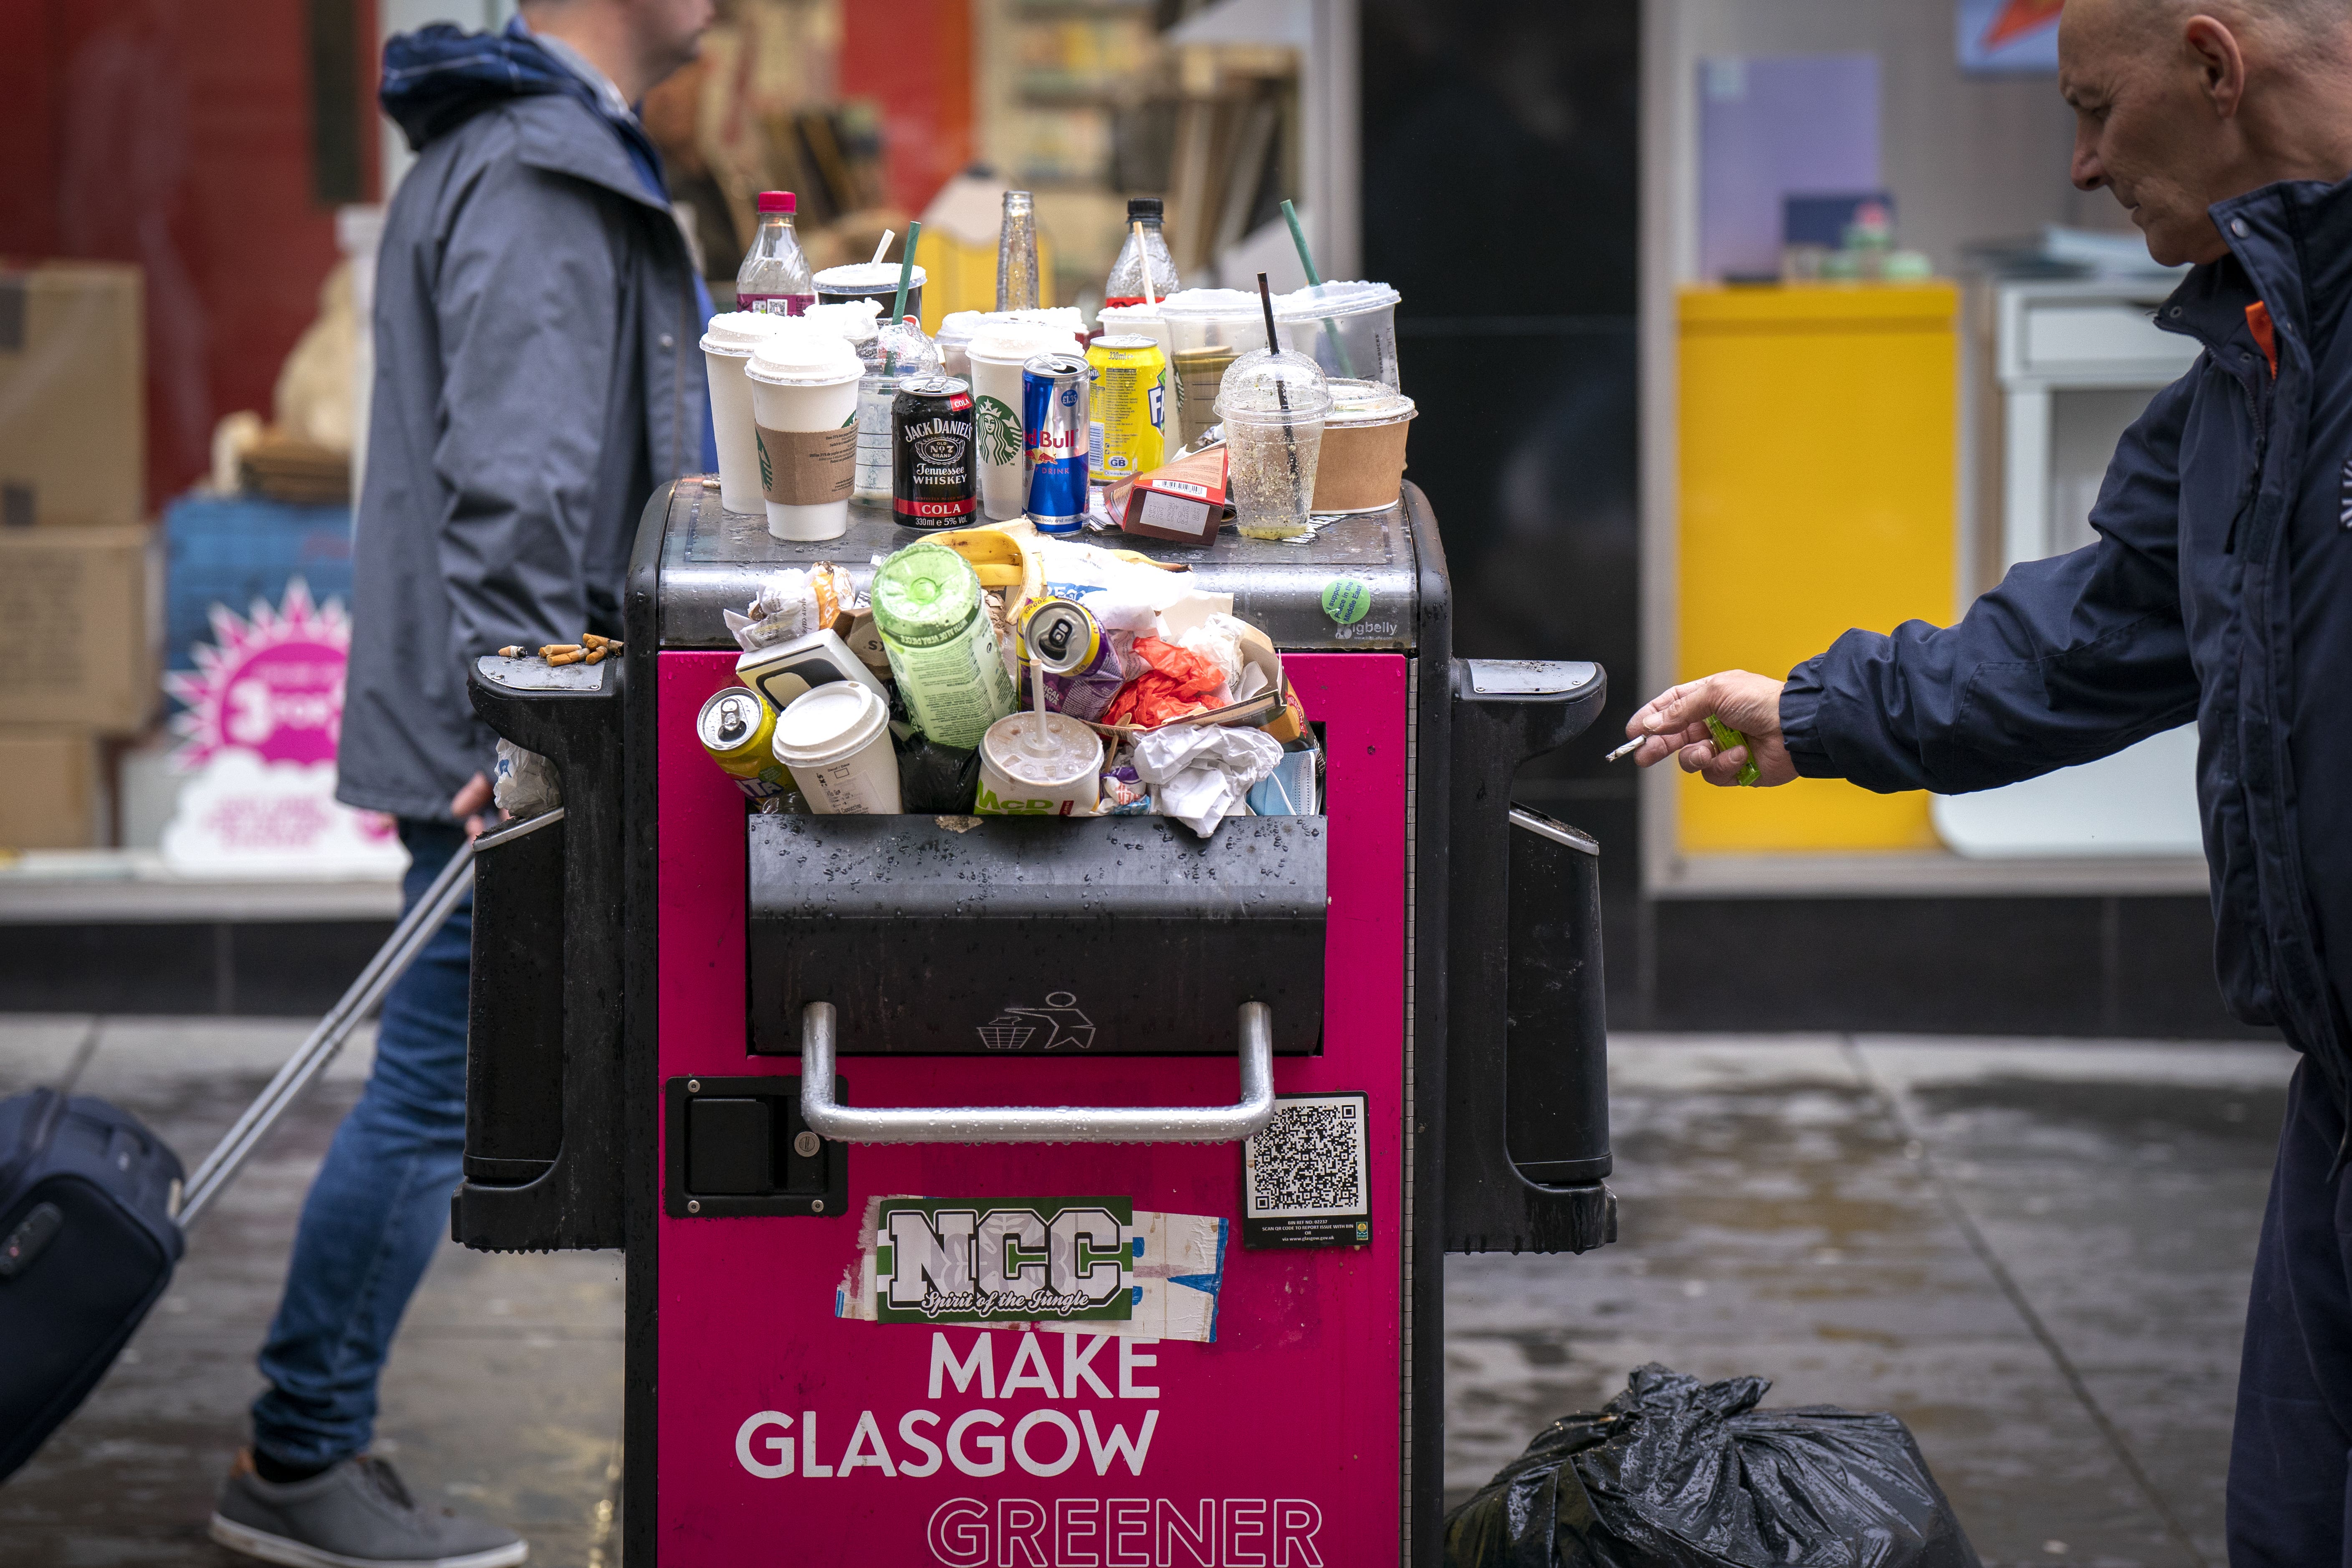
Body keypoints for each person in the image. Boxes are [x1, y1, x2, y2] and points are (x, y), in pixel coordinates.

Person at [1624, 0, 2352, 1556]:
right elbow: (2103, 628)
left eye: (2093, 106)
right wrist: (1816, 712)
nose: (2080, 162)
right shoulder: (2259, 352)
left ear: (2213, 66)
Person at [207, 0, 712, 1563]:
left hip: (510, 733)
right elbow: (515, 492)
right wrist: (527, 738)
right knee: (434, 1092)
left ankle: (304, 1442)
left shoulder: (523, 147)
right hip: (511, 754)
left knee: (446, 1086)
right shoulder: (543, 169)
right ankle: (300, 1450)